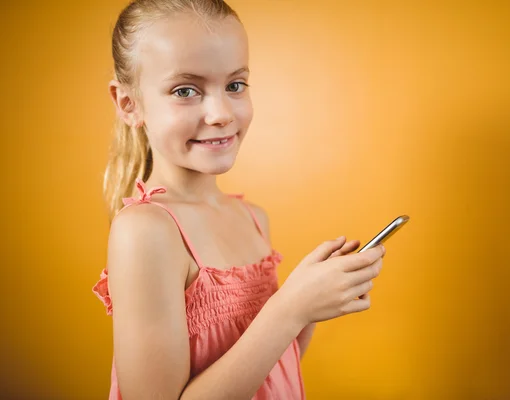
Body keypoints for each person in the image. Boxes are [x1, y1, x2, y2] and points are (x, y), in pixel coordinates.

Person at [92, 0, 385, 398]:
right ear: (129, 104)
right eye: (185, 90)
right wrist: (290, 308)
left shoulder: (252, 218)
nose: (220, 113)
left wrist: (311, 304)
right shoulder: (146, 231)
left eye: (235, 85)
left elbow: (270, 369)